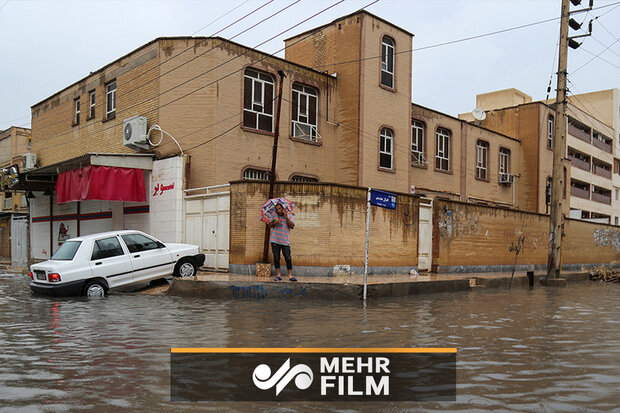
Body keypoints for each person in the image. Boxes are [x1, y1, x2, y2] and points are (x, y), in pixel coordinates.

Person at [268, 203, 296, 282]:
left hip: (285, 241)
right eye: (276, 209)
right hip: (275, 240)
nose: (278, 210)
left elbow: (292, 226)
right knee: (276, 258)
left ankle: (290, 275)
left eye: (279, 209)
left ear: (283, 208)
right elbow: (269, 225)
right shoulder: (274, 215)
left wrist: (286, 217)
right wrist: (274, 222)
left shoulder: (289, 215)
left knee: (288, 258)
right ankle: (278, 275)